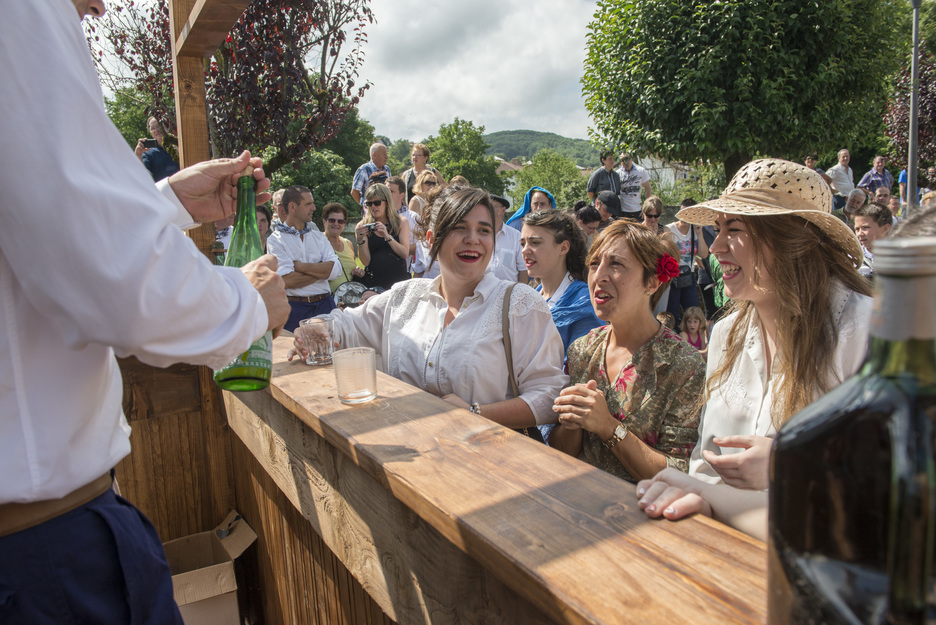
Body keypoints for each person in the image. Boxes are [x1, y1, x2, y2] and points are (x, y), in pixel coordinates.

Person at [2, 2, 291, 622]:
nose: (100, 6)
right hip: (42, 554)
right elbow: (115, 280)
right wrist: (247, 303)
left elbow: (42, 237)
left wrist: (167, 203)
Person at [292, 186, 568, 430]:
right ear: (432, 239)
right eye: (459, 228)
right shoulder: (404, 296)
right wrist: (317, 331)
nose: (473, 238)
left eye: (484, 230)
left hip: (487, 469)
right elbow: (348, 324)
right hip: (407, 461)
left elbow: (549, 395)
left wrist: (476, 413)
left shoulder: (520, 304)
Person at [670, 159, 872, 491]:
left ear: (790, 242)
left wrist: (791, 464)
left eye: (733, 229)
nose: (717, 246)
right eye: (718, 229)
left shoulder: (865, 333)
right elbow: (704, 463)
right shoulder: (724, 334)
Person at [549, 221, 705, 483]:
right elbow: (562, 451)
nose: (599, 276)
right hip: (576, 505)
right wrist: (572, 423)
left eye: (616, 264)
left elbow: (682, 473)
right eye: (595, 263)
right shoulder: (582, 350)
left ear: (652, 282)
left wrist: (609, 427)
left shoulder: (683, 364)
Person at [520, 210, 602, 354]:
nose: (525, 251)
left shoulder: (584, 302)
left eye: (535, 242)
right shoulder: (530, 296)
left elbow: (579, 367)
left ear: (563, 247)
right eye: (523, 243)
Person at [267, 186, 340, 331]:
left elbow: (335, 271)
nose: (313, 207)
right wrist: (321, 271)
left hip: (325, 305)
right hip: (295, 310)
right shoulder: (275, 240)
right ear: (292, 207)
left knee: (333, 350)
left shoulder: (319, 237)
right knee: (298, 352)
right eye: (308, 204)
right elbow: (287, 280)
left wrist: (299, 267)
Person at [354, 183, 411, 291]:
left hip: (398, 281)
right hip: (374, 282)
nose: (373, 207)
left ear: (387, 202)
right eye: (369, 204)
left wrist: (387, 236)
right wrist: (360, 241)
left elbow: (404, 253)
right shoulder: (362, 226)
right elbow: (365, 262)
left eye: (377, 203)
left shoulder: (401, 222)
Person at [664, 200, 709, 327]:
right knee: (672, 313)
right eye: (682, 212)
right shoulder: (669, 229)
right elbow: (666, 253)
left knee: (693, 312)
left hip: (688, 277)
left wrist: (699, 234)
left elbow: (704, 254)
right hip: (673, 277)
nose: (684, 216)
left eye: (688, 213)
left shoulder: (695, 230)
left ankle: (692, 342)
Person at [322, 202, 364, 293]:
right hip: (327, 299)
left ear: (344, 224)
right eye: (332, 220)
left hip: (350, 298)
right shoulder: (317, 242)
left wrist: (358, 270)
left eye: (340, 221)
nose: (336, 224)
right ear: (324, 221)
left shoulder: (348, 243)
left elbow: (349, 266)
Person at [489, 194, 528, 283]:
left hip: (509, 294)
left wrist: (520, 295)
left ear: (503, 210)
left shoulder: (516, 236)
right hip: (483, 294)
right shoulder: (479, 236)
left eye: (494, 207)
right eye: (488, 207)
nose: (490, 211)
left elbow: (523, 270)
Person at [853, 202, 893, 278]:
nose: (860, 234)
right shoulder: (853, 259)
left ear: (885, 228)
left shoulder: (899, 258)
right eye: (857, 229)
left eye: (865, 228)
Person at [135, 116, 180, 182]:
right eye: (152, 128)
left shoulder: (180, 144)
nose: (156, 130)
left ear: (167, 127)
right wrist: (138, 156)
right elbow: (144, 177)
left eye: (159, 126)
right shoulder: (148, 153)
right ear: (150, 132)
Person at [351, 142, 391, 207]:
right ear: (374, 155)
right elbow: (354, 192)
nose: (386, 157)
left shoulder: (387, 169)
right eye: (384, 154)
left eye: (386, 154)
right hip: (369, 210)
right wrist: (365, 206)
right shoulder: (363, 169)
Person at [617, 152, 652, 217]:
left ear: (631, 159)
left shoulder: (641, 171)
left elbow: (648, 189)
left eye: (627, 159)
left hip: (638, 210)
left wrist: (646, 208)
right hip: (623, 211)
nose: (625, 162)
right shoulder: (618, 173)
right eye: (623, 160)